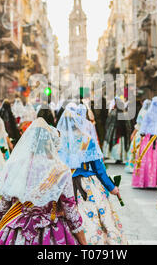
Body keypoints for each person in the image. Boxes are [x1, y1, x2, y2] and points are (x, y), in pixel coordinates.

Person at [0, 118, 87, 245]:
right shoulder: (60, 171)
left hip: (17, 229)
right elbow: (70, 210)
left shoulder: (15, 167)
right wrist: (82, 240)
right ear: (52, 144)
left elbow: (3, 206)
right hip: (50, 230)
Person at [57, 105, 127, 245]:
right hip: (86, 186)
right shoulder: (87, 140)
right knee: (96, 222)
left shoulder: (58, 140)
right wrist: (112, 188)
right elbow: (99, 170)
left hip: (63, 184)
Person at [103, 97, 133, 164]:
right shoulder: (123, 112)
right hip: (122, 132)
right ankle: (120, 157)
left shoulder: (113, 112)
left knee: (115, 144)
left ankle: (114, 156)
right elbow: (128, 124)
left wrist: (107, 129)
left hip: (113, 132)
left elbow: (108, 122)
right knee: (121, 144)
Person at [124, 99, 151, 174]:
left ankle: (133, 166)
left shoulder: (142, 112)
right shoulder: (152, 114)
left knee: (135, 149)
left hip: (140, 134)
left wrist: (133, 134)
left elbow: (138, 125)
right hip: (149, 135)